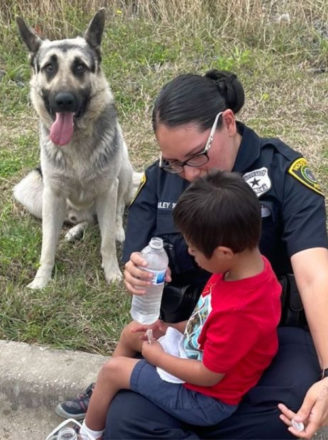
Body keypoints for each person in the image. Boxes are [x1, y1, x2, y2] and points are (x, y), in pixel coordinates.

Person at [104, 70, 328, 439]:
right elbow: (139, 251)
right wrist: (137, 270)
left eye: (197, 156)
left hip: (266, 337)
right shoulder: (163, 175)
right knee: (126, 416)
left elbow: (313, 274)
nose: (188, 173)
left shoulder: (281, 172)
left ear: (226, 123)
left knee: (289, 411)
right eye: (174, 162)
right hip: (189, 336)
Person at [76, 171, 281, 440]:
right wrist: (172, 327)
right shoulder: (240, 268)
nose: (190, 254)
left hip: (206, 401)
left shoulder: (241, 310)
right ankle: (104, 398)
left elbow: (209, 375)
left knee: (114, 371)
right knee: (133, 332)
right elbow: (206, 323)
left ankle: (88, 435)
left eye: (193, 249)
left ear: (223, 252)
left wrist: (158, 357)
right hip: (194, 354)